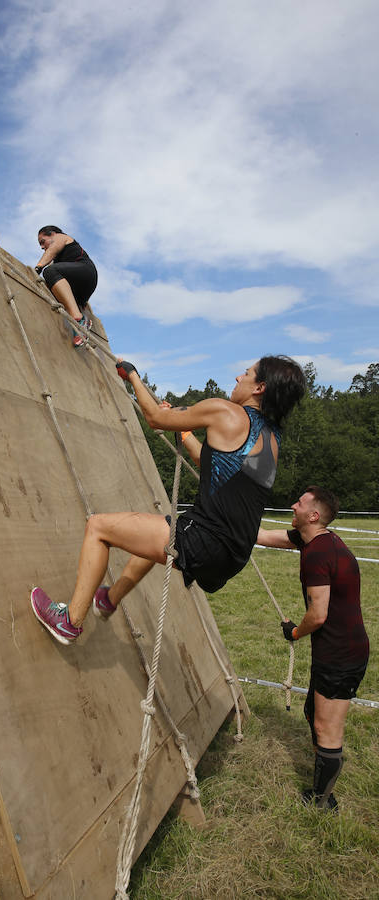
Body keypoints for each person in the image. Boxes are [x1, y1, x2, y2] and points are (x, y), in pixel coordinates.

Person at [31, 355, 306, 645]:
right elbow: (210, 463)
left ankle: (69, 622)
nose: (238, 378)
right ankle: (109, 600)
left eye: (246, 374)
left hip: (204, 540)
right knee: (161, 534)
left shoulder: (224, 411)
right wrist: (185, 432)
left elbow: (155, 418)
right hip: (232, 557)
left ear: (259, 387)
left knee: (98, 527)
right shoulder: (272, 439)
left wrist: (133, 377)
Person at [257, 486, 369, 811]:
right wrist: (227, 518)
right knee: (312, 714)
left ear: (314, 515)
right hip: (334, 651)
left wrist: (294, 632)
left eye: (300, 503)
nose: (293, 505)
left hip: (341, 654)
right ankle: (323, 787)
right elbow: (262, 535)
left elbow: (318, 615)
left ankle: (322, 802)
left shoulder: (320, 553)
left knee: (326, 728)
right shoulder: (310, 540)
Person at [34, 226, 98, 348]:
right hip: (78, 289)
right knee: (51, 276)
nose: (42, 247)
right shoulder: (58, 262)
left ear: (52, 234)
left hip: (85, 271)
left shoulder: (61, 237)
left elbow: (52, 251)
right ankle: (81, 329)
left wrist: (38, 267)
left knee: (49, 271)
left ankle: (78, 318)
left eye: (43, 242)